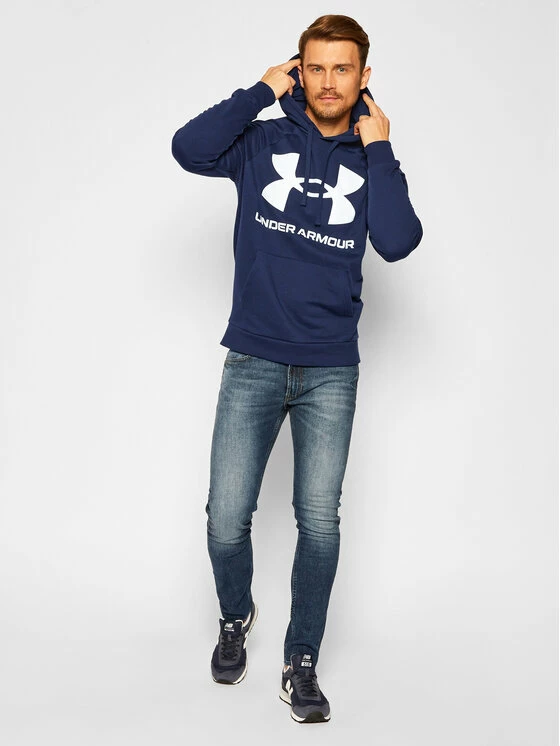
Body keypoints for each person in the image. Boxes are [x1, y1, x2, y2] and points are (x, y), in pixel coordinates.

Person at [171, 14, 423, 724]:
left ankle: (300, 660)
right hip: (253, 356)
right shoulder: (261, 141)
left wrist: (381, 148)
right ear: (298, 71)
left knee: (319, 522)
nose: (328, 82)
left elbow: (399, 240)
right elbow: (188, 148)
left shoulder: (372, 159)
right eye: (315, 68)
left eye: (343, 69)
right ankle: (235, 615)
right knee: (226, 518)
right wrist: (258, 91)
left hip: (329, 371)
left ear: (364, 76)